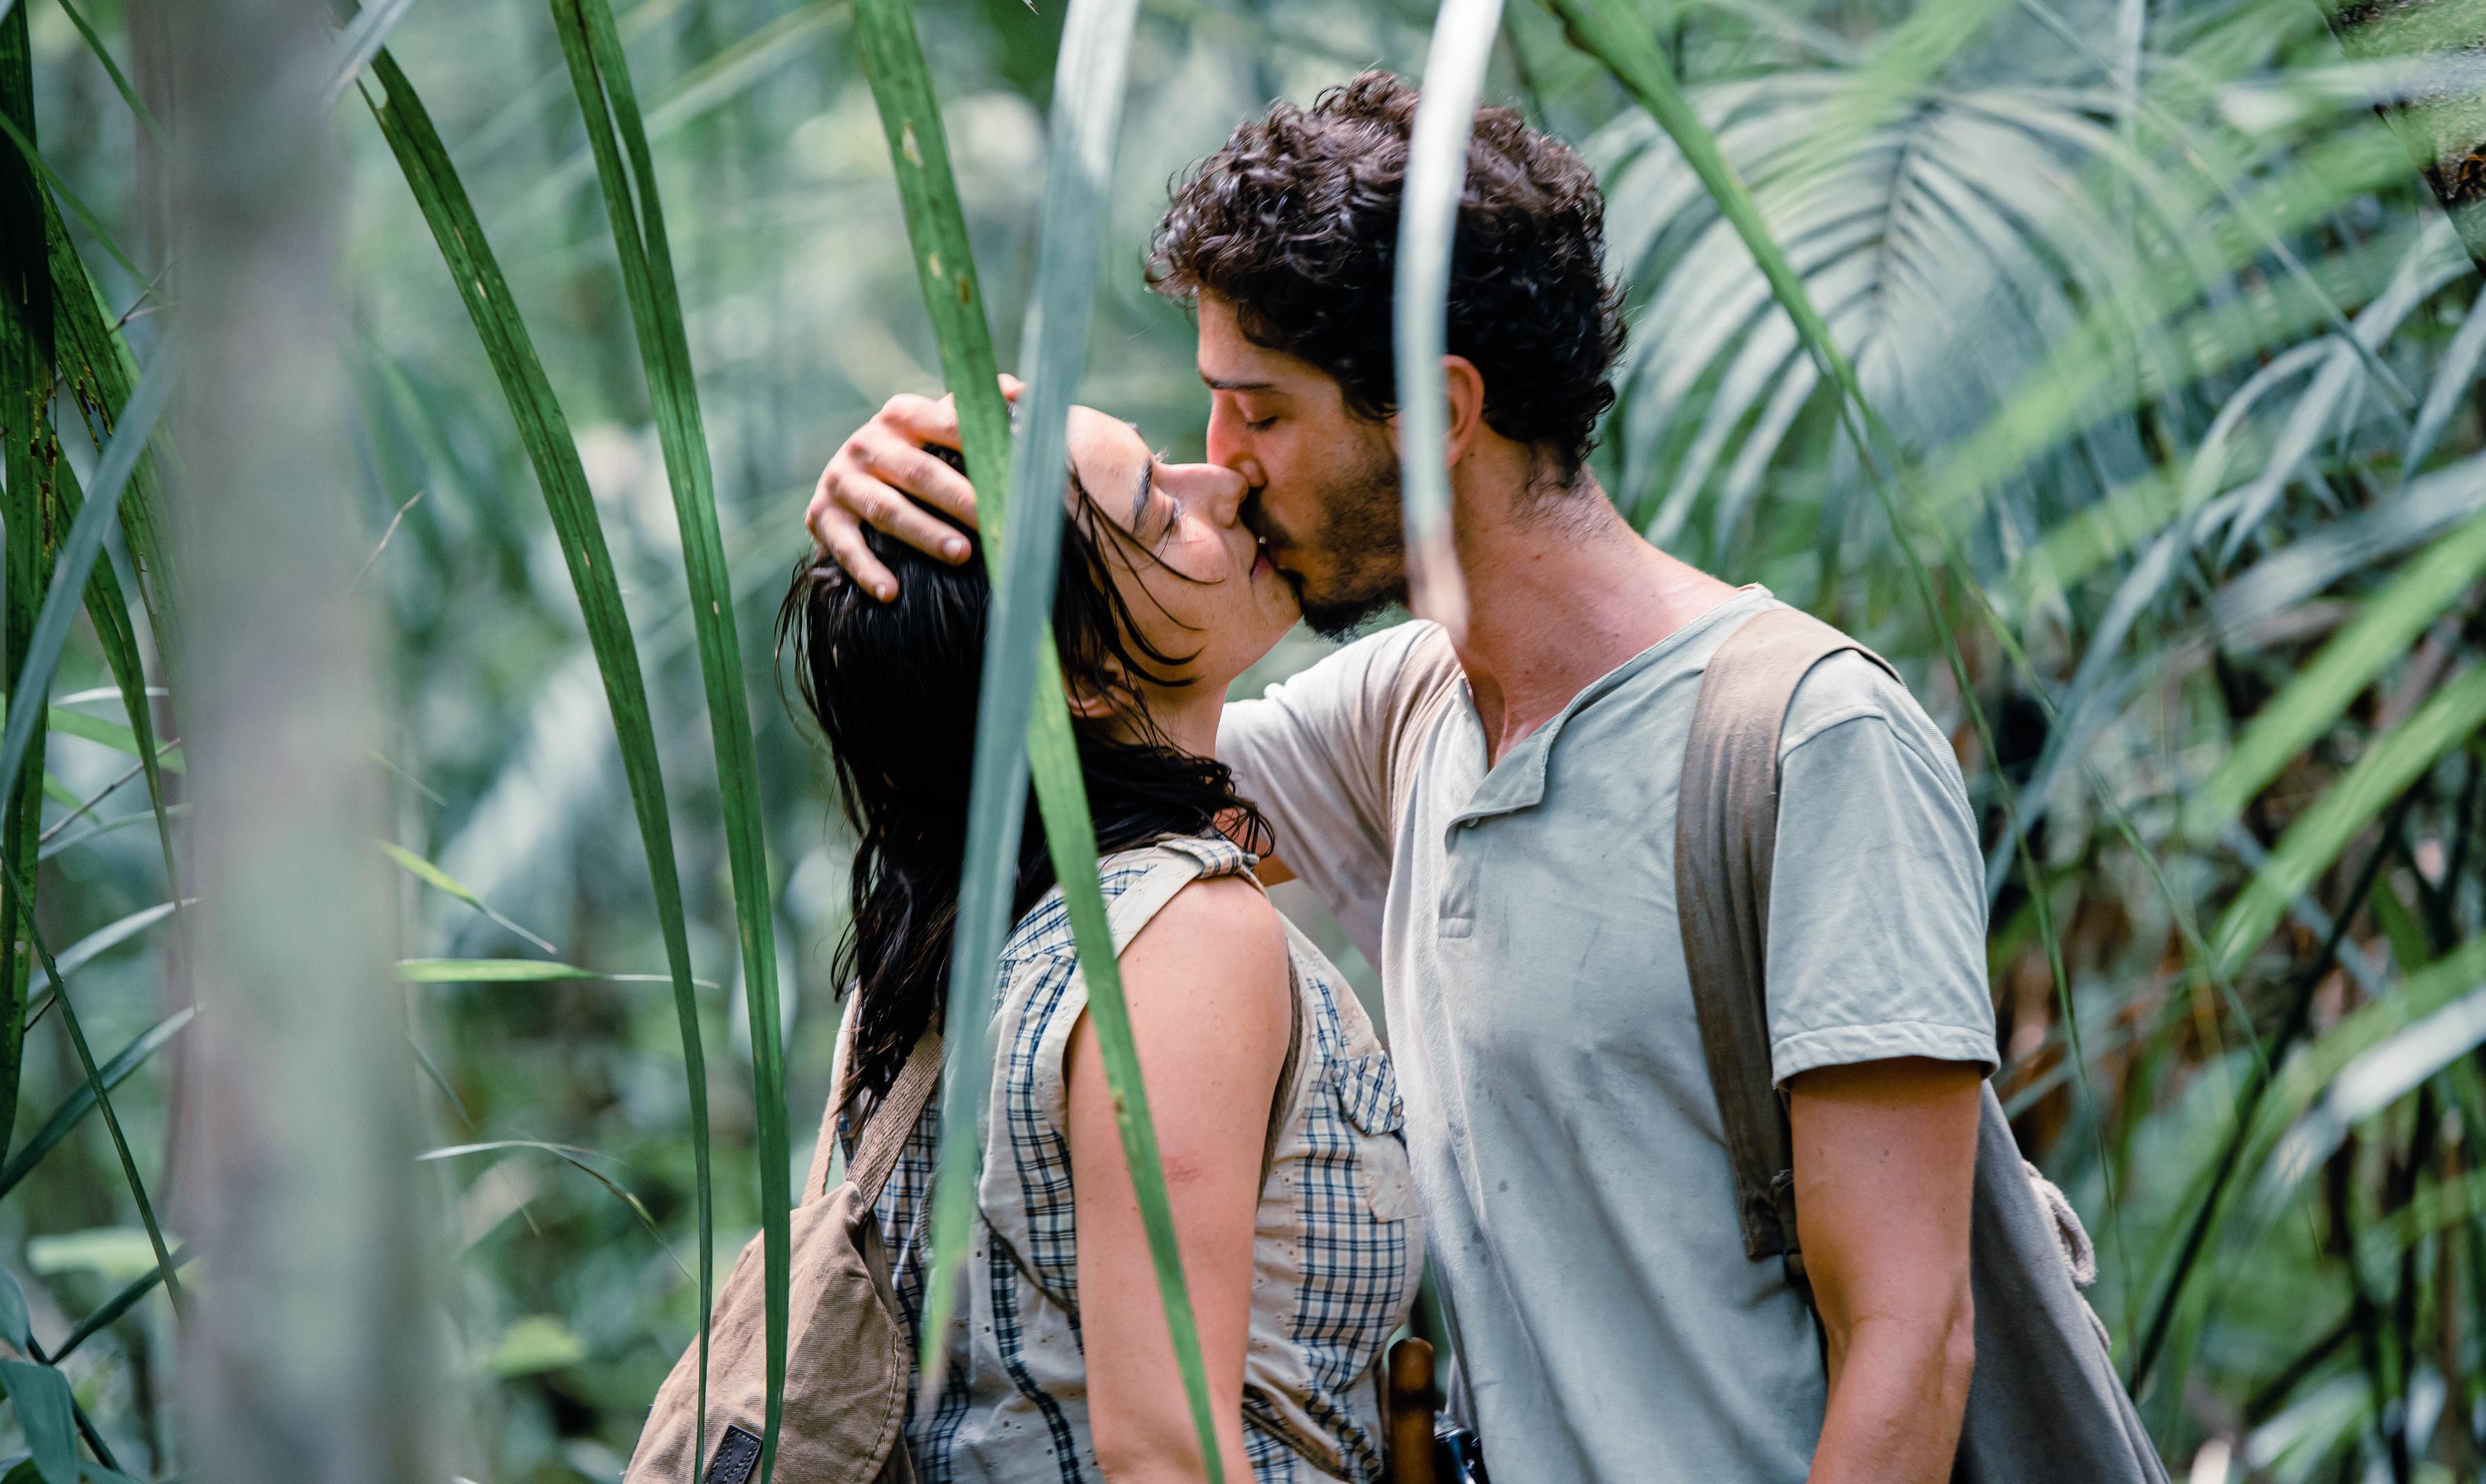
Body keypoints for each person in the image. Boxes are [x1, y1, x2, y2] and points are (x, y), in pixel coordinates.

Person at [806, 74, 1998, 1484]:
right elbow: (1049, 768)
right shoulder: (1408, 718)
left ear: (1437, 413)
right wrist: (915, 521)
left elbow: (1911, 1347)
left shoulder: (1805, 745)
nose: (1225, 473)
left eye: (1261, 414)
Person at [781, 404, 1425, 1483]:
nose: (1221, 482)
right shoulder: (1186, 933)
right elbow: (1165, 1453)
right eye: (1162, 511)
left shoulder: (938, 939)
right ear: (1084, 678)